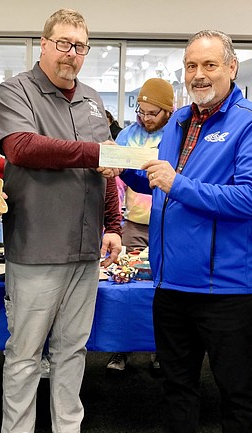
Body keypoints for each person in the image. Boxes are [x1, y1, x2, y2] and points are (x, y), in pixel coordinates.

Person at [120, 30, 252, 433]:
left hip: (228, 288)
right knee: (176, 385)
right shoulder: (177, 121)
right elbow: (162, 181)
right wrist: (128, 169)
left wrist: (177, 183)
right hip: (171, 282)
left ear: (232, 68)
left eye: (209, 65)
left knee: (237, 391)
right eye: (191, 66)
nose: (199, 74)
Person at [0, 8, 122, 433]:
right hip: (36, 246)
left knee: (72, 349)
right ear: (43, 44)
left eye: (81, 46)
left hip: (86, 249)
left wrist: (113, 224)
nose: (72, 54)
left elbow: (107, 172)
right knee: (26, 352)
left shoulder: (91, 99)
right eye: (64, 43)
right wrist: (97, 153)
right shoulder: (15, 91)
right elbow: (22, 147)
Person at [106, 78, 174, 372]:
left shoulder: (176, 135)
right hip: (134, 222)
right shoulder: (127, 136)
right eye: (141, 112)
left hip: (168, 225)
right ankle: (121, 350)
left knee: (162, 291)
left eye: (152, 113)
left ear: (168, 112)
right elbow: (116, 174)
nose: (145, 119)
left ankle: (160, 349)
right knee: (126, 287)